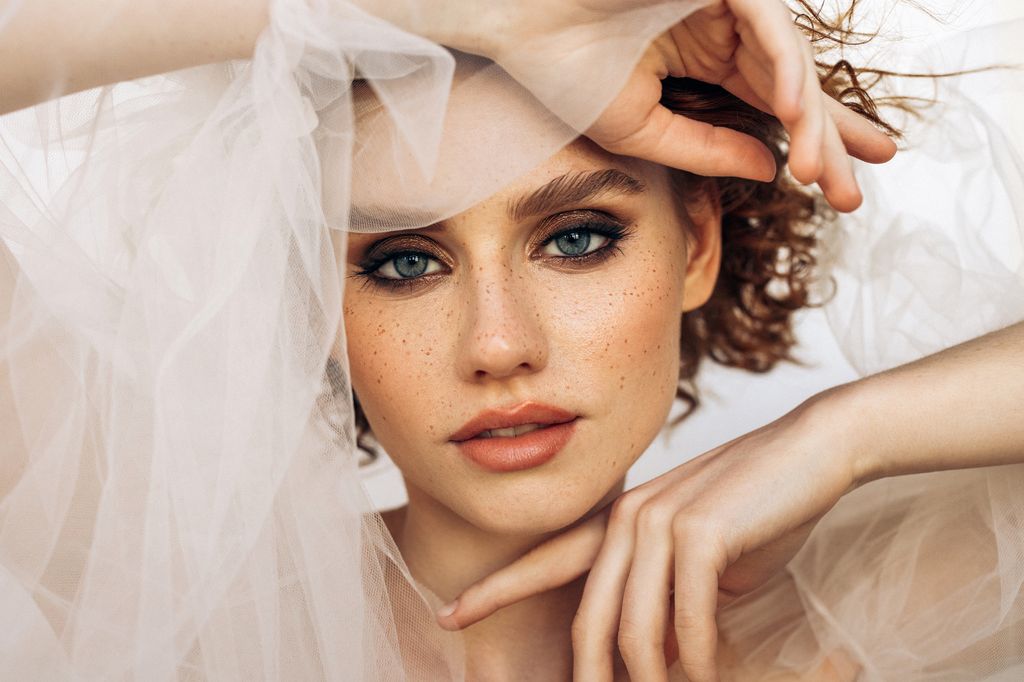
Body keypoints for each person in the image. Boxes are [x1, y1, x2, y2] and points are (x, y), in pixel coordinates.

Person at [0, 1, 1021, 680]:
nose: (497, 344)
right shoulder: (169, 587)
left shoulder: (862, 606)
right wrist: (449, 5)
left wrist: (841, 433)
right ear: (312, 297)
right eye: (403, 261)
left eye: (576, 239)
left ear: (696, 245)